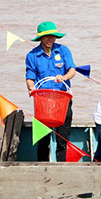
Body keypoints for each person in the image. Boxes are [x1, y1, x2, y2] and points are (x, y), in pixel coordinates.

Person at [25, 21, 76, 162]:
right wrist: (31, 87)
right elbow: (30, 77)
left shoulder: (63, 50)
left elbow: (72, 70)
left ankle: (62, 167)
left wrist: (64, 77)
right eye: (47, 36)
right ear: (40, 38)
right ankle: (43, 168)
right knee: (43, 141)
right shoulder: (32, 55)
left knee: (62, 140)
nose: (50, 39)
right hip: (43, 103)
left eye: (52, 36)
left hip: (62, 101)